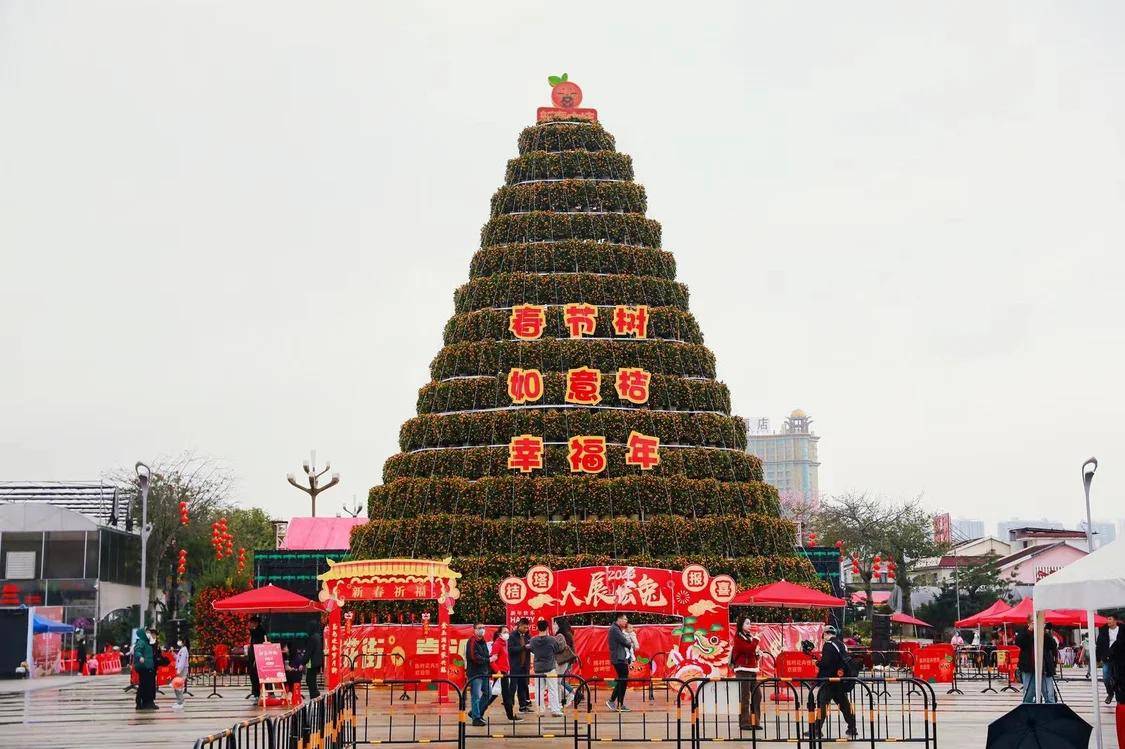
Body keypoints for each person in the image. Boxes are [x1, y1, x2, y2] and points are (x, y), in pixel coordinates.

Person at [807, 625, 858, 739]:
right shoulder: (842, 644)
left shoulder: (828, 645)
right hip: (840, 680)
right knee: (844, 705)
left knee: (822, 704)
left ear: (825, 634)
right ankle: (852, 727)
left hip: (829, 681)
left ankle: (816, 730)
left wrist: (817, 663)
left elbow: (826, 663)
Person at [1015, 617, 1058, 704]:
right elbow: (1019, 642)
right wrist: (1030, 631)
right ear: (1029, 623)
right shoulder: (1024, 632)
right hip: (1029, 668)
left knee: (1049, 696)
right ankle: (1028, 715)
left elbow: (1053, 645)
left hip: (1045, 668)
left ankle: (1050, 715)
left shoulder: (1044, 633)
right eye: (1034, 622)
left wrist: (1043, 632)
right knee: (1028, 696)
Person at [732, 616, 762, 731]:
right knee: (745, 697)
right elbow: (747, 649)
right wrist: (756, 640)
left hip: (752, 670)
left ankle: (755, 721)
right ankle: (744, 723)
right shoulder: (738, 638)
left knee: (757, 695)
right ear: (741, 625)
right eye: (747, 623)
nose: (750, 625)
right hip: (742, 670)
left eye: (750, 623)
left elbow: (752, 652)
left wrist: (758, 654)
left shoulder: (749, 637)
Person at [528, 619, 563, 717]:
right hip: (550, 668)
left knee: (539, 690)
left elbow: (532, 650)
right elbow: (557, 649)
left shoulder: (533, 640)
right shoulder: (552, 639)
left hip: (538, 668)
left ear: (537, 628)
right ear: (547, 628)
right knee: (553, 689)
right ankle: (555, 710)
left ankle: (540, 711)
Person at [490, 626, 522, 722]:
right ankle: (510, 716)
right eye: (504, 632)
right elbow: (492, 661)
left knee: (497, 694)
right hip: (500, 673)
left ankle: (478, 711)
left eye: (508, 632)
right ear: (500, 634)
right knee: (505, 695)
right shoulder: (497, 644)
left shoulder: (504, 643)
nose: (507, 633)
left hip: (504, 672)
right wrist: (498, 672)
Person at [466, 622, 491, 726]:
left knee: (488, 693)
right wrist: (487, 660)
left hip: (484, 672)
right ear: (474, 629)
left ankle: (475, 713)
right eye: (479, 628)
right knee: (475, 696)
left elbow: (486, 655)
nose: (482, 630)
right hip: (475, 673)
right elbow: (473, 657)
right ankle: (476, 718)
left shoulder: (483, 641)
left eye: (483, 627)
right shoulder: (472, 641)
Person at [606, 613, 632, 712]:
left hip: (620, 658)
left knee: (622, 680)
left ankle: (614, 701)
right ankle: (618, 703)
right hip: (619, 658)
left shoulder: (616, 629)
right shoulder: (615, 629)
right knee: (623, 680)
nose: (626, 621)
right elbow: (625, 642)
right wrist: (630, 644)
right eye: (625, 619)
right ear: (619, 619)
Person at [508, 618, 533, 713]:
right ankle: (509, 705)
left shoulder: (528, 636)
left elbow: (531, 649)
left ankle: (523, 706)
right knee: (513, 686)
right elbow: (510, 650)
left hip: (524, 665)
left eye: (527, 627)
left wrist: (531, 647)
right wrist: (523, 647)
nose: (526, 629)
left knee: (523, 686)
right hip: (515, 665)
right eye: (524, 627)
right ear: (519, 625)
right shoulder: (512, 636)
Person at [553, 619, 579, 708]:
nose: (554, 625)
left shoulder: (561, 635)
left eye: (555, 624)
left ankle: (570, 694)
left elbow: (560, 649)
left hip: (562, 661)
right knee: (560, 681)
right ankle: (571, 695)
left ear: (559, 625)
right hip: (567, 660)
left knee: (558, 681)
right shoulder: (568, 633)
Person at [133, 627, 159, 711]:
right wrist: (140, 657)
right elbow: (137, 651)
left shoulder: (148, 642)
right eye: (147, 632)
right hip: (144, 666)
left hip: (148, 666)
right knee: (144, 685)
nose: (149, 634)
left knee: (148, 685)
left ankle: (147, 702)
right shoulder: (141, 642)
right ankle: (140, 703)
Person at [1096, 614, 1120, 704]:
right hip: (1107, 658)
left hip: (1119, 658)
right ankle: (1110, 693)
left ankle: (1119, 698)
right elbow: (1099, 645)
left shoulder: (1121, 630)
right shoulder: (1103, 631)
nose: (1108, 621)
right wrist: (1098, 659)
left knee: (1118, 678)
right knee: (1106, 677)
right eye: (1107, 619)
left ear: (1115, 620)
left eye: (1110, 619)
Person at [247, 615, 267, 698]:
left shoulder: (259, 632)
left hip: (257, 657)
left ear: (256, 623)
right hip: (252, 657)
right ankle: (255, 692)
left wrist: (256, 659)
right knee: (253, 675)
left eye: (251, 623)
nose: (249, 624)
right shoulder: (254, 631)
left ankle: (258, 693)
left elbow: (259, 646)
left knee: (257, 676)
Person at [305, 625, 323, 700]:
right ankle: (315, 693)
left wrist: (303, 661)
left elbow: (309, 652)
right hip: (317, 661)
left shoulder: (312, 638)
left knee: (309, 679)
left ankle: (314, 694)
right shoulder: (317, 636)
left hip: (312, 662)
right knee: (312, 678)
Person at [173, 637, 190, 710]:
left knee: (178, 686)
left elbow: (182, 661)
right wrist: (173, 654)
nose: (179, 642)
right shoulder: (183, 649)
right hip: (181, 669)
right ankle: (180, 700)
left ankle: (180, 702)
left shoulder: (184, 650)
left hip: (182, 670)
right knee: (177, 685)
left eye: (180, 640)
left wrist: (179, 670)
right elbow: (178, 658)